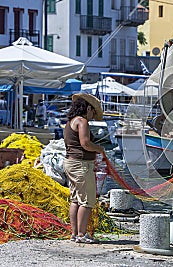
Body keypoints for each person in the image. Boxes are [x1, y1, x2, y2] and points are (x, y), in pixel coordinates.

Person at [63, 93, 104, 243]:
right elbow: (85, 143)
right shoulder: (82, 121)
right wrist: (99, 149)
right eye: (93, 111)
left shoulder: (70, 122)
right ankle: (81, 234)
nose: (93, 115)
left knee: (75, 199)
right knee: (87, 200)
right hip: (81, 164)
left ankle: (74, 233)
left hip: (70, 163)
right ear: (87, 108)